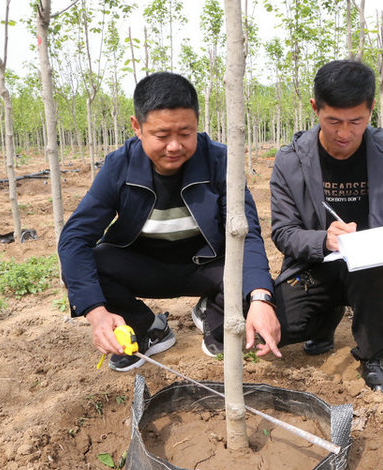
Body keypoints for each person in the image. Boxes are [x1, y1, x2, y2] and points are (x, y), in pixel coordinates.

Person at [58, 72, 280, 372]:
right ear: (137, 127)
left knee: (254, 284)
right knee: (92, 263)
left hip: (208, 266)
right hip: (143, 267)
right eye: (162, 136)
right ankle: (146, 327)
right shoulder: (118, 166)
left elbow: (248, 234)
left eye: (185, 133)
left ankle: (214, 314)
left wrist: (261, 299)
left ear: (197, 124)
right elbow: (74, 239)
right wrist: (96, 313)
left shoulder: (219, 162)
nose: (174, 146)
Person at [265, 60, 383, 397]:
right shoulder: (291, 160)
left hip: (371, 267)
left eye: (356, 121)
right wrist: (323, 239)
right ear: (315, 108)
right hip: (315, 264)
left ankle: (373, 356)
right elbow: (282, 231)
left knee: (374, 269)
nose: (344, 133)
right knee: (279, 330)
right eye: (333, 121)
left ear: (371, 110)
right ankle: (325, 319)